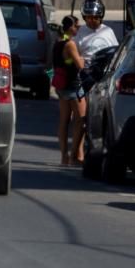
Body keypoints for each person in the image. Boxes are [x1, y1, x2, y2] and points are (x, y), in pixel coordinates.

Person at [52, 15, 86, 166]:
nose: (78, 28)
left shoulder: (58, 43)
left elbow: (54, 64)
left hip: (61, 87)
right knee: (81, 121)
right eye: (76, 26)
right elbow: (80, 66)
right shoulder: (70, 44)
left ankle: (64, 157)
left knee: (64, 121)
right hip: (74, 86)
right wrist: (83, 59)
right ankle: (74, 156)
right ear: (70, 27)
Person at [73, 0, 118, 64]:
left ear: (101, 17)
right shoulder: (79, 32)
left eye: (96, 18)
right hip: (87, 69)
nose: (92, 20)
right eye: (89, 17)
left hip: (106, 68)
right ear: (84, 17)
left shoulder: (108, 31)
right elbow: (74, 55)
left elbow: (116, 52)